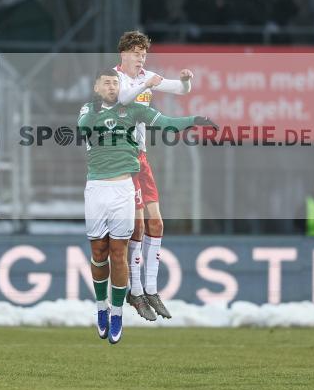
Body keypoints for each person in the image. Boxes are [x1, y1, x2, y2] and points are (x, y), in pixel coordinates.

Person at [78, 68, 215, 344]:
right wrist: (96, 108)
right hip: (96, 189)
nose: (112, 87)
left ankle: (116, 313)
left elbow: (165, 123)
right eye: (106, 83)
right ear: (96, 87)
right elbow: (84, 129)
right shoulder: (87, 109)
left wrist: (194, 120)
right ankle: (101, 307)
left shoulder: (133, 111)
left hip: (123, 190)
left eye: (115, 83)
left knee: (118, 252)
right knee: (98, 252)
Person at [114, 31, 194, 321]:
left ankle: (150, 288)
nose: (140, 58)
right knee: (137, 226)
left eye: (144, 54)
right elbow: (122, 99)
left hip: (141, 158)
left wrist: (186, 79)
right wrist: (145, 84)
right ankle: (134, 291)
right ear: (123, 54)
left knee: (156, 221)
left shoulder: (147, 76)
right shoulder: (116, 79)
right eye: (136, 53)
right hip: (121, 158)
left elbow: (180, 90)